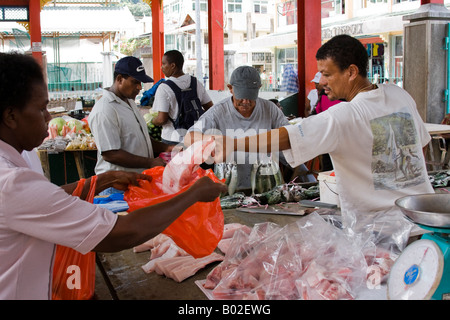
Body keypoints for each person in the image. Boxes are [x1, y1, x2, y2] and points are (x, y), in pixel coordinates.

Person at [0, 52, 227, 299]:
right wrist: (193, 194)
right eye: (42, 108)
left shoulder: (20, 158)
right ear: (11, 116)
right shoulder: (10, 181)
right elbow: (119, 233)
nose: (49, 117)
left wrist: (99, 181)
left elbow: (43, 201)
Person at [211, 34, 434, 229]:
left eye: (327, 74)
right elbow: (420, 145)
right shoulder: (399, 94)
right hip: (422, 218)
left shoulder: (345, 115)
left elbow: (287, 137)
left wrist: (232, 144)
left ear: (351, 72)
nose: (321, 82)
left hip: (379, 230)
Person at [184, 66, 290, 191]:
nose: (245, 101)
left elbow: (290, 137)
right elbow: (188, 138)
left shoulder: (270, 109)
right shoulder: (218, 112)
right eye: (241, 97)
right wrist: (214, 140)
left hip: (266, 187)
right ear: (230, 89)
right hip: (230, 189)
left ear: (259, 89)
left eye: (250, 97)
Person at [88, 56, 168, 186]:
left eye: (140, 83)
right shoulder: (105, 109)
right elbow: (110, 154)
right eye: (135, 82)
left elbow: (141, 139)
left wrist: (167, 147)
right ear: (119, 79)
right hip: (117, 187)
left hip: (135, 183)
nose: (139, 87)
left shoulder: (129, 102)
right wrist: (150, 162)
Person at [151, 50, 213, 145]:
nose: (161, 67)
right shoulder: (196, 83)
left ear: (172, 65)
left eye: (164, 64)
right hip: (195, 138)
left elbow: (161, 119)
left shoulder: (164, 88)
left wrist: (152, 121)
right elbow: (211, 108)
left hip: (172, 139)